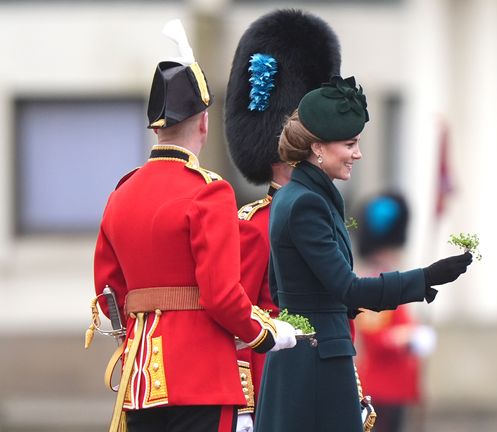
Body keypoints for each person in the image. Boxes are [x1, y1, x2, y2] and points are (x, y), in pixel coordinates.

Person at [91, 20, 296, 432]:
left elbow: (109, 292)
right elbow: (221, 295)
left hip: (141, 377)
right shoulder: (209, 192)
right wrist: (266, 333)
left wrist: (133, 340)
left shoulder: (121, 194)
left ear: (156, 127)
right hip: (200, 377)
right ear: (203, 123)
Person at [253, 76, 473, 432]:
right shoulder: (308, 203)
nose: (358, 153)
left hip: (305, 359)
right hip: (316, 366)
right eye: (350, 143)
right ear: (318, 148)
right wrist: (426, 277)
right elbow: (348, 289)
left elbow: (285, 292)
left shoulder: (295, 197)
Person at [223, 9, 342, 429]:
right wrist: (243, 407)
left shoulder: (326, 216)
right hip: (273, 387)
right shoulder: (253, 225)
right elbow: (237, 321)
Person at [354, 192, 436, 432]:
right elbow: (376, 337)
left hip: (397, 387)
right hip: (381, 388)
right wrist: (409, 338)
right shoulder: (374, 284)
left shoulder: (389, 285)